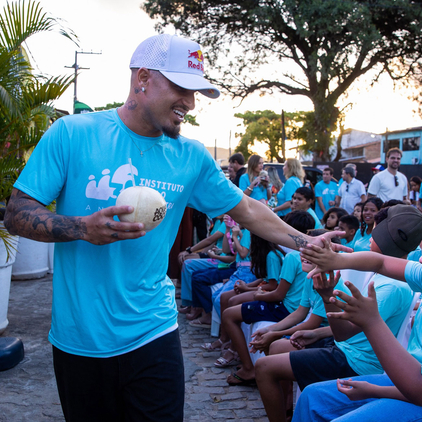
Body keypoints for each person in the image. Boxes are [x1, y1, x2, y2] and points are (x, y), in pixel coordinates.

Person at [4, 33, 346, 422]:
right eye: (181, 88)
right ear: (143, 78)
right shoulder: (73, 133)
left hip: (154, 330)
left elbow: (249, 210)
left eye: (195, 92)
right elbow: (17, 212)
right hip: (81, 338)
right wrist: (81, 228)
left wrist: (308, 242)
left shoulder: (191, 157)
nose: (191, 102)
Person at [255, 205, 418, 422]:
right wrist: (318, 325)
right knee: (278, 351)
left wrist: (328, 296)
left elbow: (345, 332)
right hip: (348, 348)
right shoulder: (386, 275)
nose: (369, 236)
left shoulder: (392, 287)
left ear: (389, 239)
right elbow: (348, 329)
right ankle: (285, 409)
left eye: (376, 231)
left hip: (357, 361)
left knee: (264, 367)